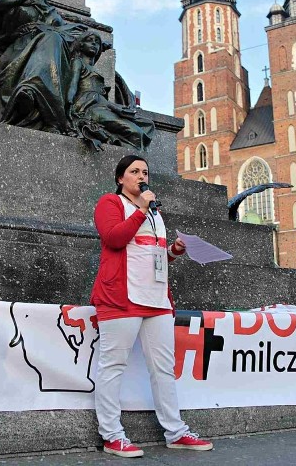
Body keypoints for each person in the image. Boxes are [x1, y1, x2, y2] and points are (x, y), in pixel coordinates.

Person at [90, 155, 213, 458]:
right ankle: (111, 435)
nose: (141, 176)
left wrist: (174, 250)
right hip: (121, 297)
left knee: (163, 369)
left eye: (144, 172)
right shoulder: (110, 203)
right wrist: (141, 209)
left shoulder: (155, 214)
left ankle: (176, 431)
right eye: (134, 172)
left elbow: (153, 256)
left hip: (156, 300)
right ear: (120, 178)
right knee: (112, 366)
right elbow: (114, 239)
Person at [68, 32, 155, 151]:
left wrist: (115, 107)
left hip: (102, 107)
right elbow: (73, 87)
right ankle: (128, 165)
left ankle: (130, 164)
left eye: (97, 42)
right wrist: (68, 108)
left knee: (147, 125)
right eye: (90, 40)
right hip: (88, 108)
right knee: (135, 133)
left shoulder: (93, 70)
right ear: (81, 45)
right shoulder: (77, 62)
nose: (94, 43)